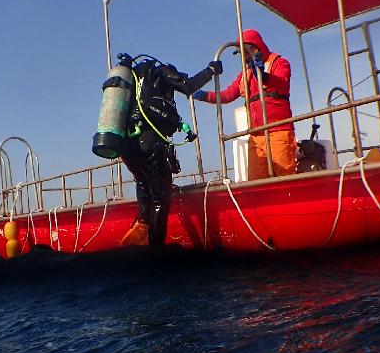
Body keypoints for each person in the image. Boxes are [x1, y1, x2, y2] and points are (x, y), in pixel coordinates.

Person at [116, 54, 222, 249]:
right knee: (160, 199)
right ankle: (155, 253)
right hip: (150, 143)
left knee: (143, 182)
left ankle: (140, 232)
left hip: (127, 147)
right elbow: (188, 85)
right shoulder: (163, 71)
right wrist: (211, 70)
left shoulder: (135, 80)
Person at [192, 29, 294, 180]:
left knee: (285, 181)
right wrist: (202, 95)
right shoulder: (244, 74)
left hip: (279, 132)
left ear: (256, 47)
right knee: (256, 184)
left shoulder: (280, 63)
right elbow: (227, 95)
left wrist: (262, 75)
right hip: (255, 136)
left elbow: (281, 83)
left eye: (245, 52)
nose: (243, 57)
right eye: (241, 53)